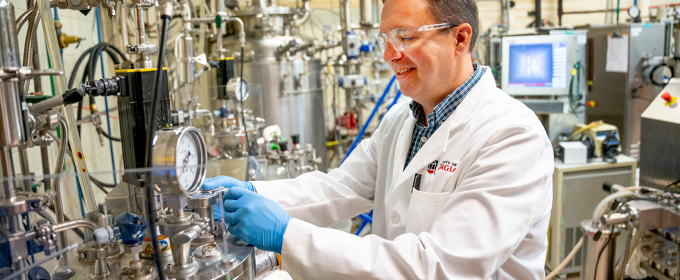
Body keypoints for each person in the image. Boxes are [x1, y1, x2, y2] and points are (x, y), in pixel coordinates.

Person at [202, 0, 554, 278]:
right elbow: (339, 187)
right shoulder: (403, 118)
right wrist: (251, 194)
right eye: (386, 38)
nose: (390, 55)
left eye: (406, 36)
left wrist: (287, 234)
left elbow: (441, 267)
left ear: (460, 39)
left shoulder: (512, 136)